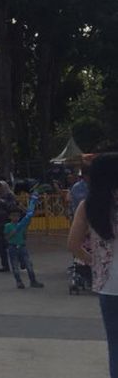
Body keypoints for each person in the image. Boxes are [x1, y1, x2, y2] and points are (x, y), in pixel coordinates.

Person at [69, 154, 118, 377]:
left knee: (115, 346)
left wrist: (95, 262)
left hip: (109, 285)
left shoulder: (87, 206)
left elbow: (73, 244)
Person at [5, 195, 43, 289]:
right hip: (12, 247)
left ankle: (33, 281)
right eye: (13, 216)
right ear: (9, 216)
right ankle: (19, 281)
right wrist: (13, 233)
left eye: (17, 216)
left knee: (28, 264)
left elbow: (24, 237)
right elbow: (7, 238)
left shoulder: (21, 225)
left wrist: (25, 231)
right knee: (15, 266)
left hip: (22, 246)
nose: (16, 218)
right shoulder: (8, 226)